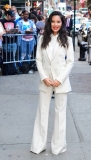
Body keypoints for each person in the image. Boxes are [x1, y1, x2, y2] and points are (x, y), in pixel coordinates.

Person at [30, 11, 74, 155]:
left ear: (62, 24)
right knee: (42, 113)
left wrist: (59, 79)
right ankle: (38, 145)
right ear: (49, 23)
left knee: (60, 115)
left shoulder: (67, 40)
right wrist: (44, 77)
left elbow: (70, 62)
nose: (55, 24)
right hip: (46, 81)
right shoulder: (42, 38)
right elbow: (38, 60)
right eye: (53, 21)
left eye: (58, 22)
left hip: (61, 81)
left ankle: (58, 147)